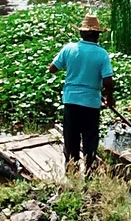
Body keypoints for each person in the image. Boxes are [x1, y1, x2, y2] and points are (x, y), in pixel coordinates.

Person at [47, 13, 115, 174]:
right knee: (90, 137)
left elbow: (52, 69)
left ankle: (72, 169)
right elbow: (108, 81)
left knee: (71, 137)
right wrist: (109, 97)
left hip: (71, 101)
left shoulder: (69, 49)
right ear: (97, 35)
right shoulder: (102, 54)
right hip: (91, 103)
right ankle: (90, 171)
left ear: (81, 33)